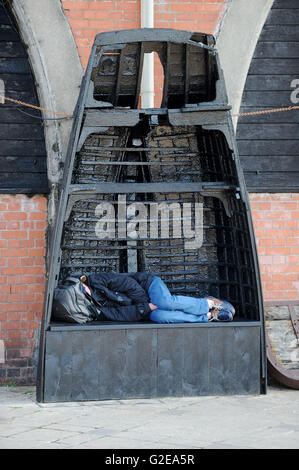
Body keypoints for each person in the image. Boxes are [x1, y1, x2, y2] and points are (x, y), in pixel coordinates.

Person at [80, 272, 235, 324]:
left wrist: (147, 303)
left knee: (164, 302)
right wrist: (147, 308)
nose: (84, 291)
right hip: (145, 310)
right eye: (81, 293)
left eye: (82, 288)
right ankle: (207, 317)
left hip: (148, 284)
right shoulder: (97, 308)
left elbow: (129, 285)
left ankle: (208, 303)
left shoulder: (97, 280)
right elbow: (121, 315)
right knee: (159, 316)